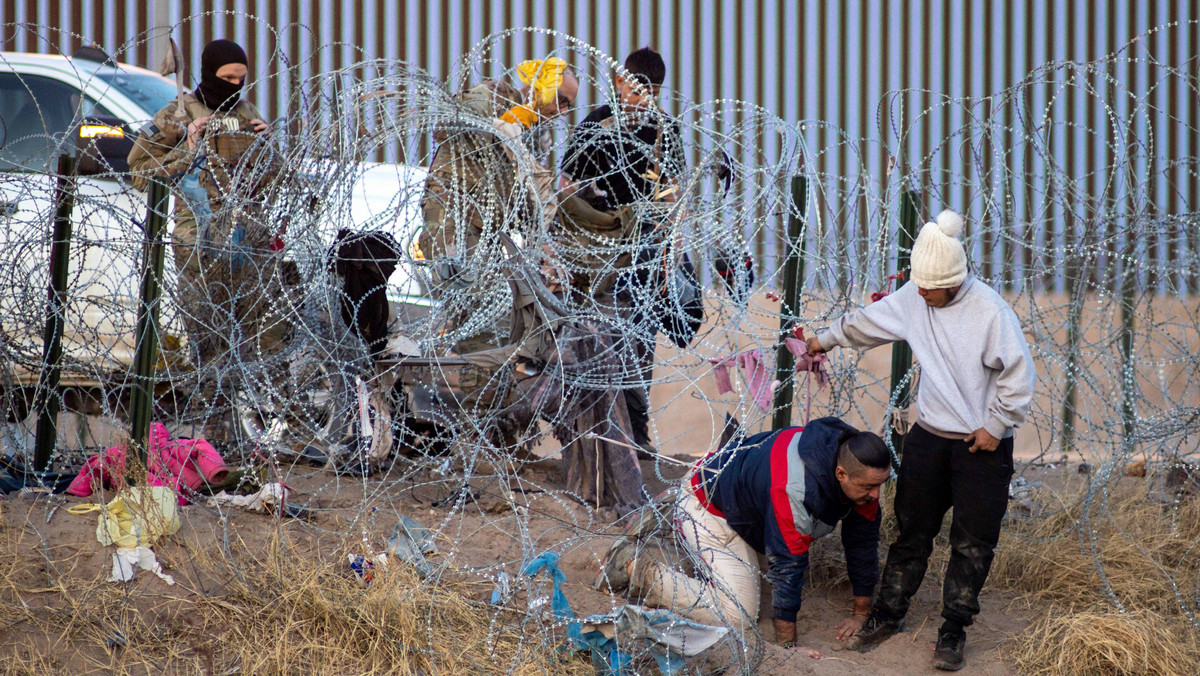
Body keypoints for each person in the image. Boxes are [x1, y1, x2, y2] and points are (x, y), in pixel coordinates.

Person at [806, 209, 1036, 671]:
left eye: (933, 288)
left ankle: (953, 629)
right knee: (911, 533)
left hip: (981, 446)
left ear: (954, 279)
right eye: (920, 287)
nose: (924, 295)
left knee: (972, 543)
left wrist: (996, 425)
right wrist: (824, 341)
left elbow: (1019, 373)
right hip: (929, 438)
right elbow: (866, 323)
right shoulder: (916, 297)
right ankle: (888, 614)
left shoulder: (990, 311)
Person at [596, 417, 890, 659]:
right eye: (869, 487)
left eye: (881, 485)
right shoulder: (794, 488)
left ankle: (677, 536)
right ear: (841, 473)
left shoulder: (860, 474)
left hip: (747, 508)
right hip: (709, 507)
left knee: (759, 582)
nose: (875, 495)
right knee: (739, 615)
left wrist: (860, 614)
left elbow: (862, 543)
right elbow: (787, 565)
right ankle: (639, 571)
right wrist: (787, 646)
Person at [127, 39, 283, 439]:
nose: (234, 85)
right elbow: (139, 171)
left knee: (251, 335)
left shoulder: (247, 113)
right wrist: (188, 148)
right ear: (208, 73)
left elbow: (272, 180)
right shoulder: (179, 113)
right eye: (226, 78)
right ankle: (212, 429)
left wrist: (267, 149)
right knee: (208, 336)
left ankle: (246, 430)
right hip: (198, 241)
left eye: (241, 78)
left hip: (247, 239)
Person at [557, 46, 697, 455]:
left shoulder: (663, 130)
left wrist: (671, 250)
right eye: (636, 90)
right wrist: (595, 208)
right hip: (599, 255)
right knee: (597, 348)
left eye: (651, 92)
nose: (642, 100)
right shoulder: (597, 125)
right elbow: (567, 186)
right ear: (619, 83)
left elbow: (672, 194)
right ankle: (591, 440)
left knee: (638, 349)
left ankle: (635, 440)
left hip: (645, 256)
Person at [418, 57, 578, 355]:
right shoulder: (495, 95)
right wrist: (498, 126)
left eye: (569, 105)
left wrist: (546, 245)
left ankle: (469, 380)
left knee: (489, 312)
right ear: (541, 87)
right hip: (450, 220)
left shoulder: (534, 136)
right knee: (485, 307)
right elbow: (448, 122)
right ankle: (473, 385)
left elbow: (527, 200)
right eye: (561, 100)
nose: (563, 111)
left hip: (484, 231)